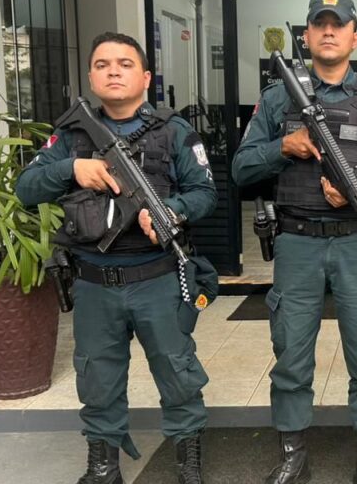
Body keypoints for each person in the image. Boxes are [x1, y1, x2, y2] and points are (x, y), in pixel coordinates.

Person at [231, 0, 357, 484]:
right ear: (307, 34)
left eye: (339, 25)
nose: (329, 31)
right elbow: (241, 168)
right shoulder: (278, 98)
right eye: (320, 24)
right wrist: (283, 146)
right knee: (291, 352)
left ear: (355, 37)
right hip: (297, 242)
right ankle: (293, 454)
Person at [16, 32, 218, 484]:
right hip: (93, 282)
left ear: (145, 77)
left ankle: (188, 461)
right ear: (91, 77)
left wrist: (173, 211)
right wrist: (71, 169)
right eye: (102, 64)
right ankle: (103, 466)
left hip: (158, 279)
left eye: (125, 64)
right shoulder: (70, 137)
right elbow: (25, 189)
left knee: (178, 373)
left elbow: (205, 193)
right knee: (97, 378)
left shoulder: (174, 131)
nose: (113, 71)